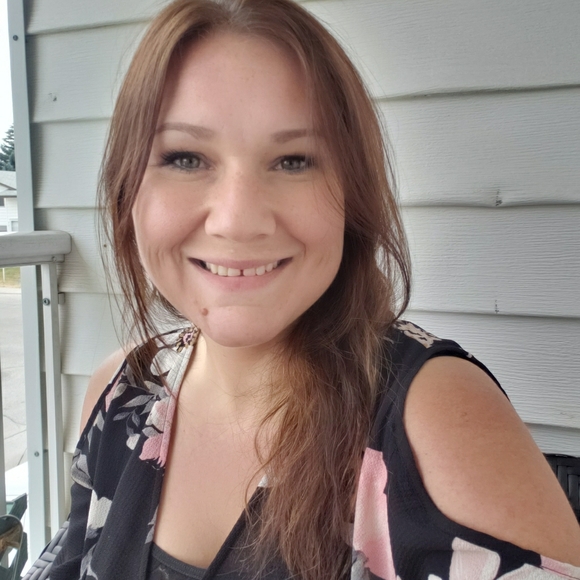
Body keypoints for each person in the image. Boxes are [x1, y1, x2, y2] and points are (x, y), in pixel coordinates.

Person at [26, 0, 580, 579]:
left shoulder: (436, 418)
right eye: (185, 158)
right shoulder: (120, 393)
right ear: (127, 190)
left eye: (293, 160)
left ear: (352, 195)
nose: (238, 221)